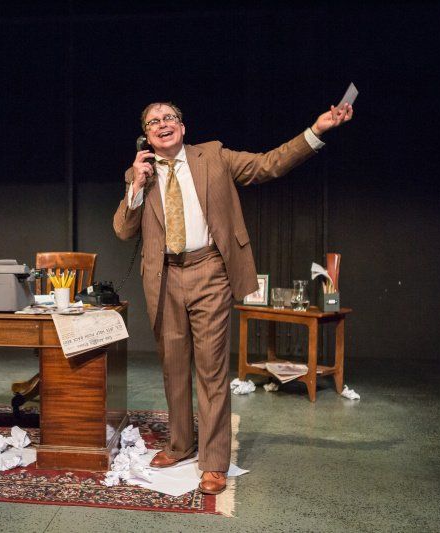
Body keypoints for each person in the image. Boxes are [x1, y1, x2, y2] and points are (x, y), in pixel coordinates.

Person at [113, 100, 352, 494]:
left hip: (209, 270)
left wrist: (317, 129)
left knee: (210, 369)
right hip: (165, 277)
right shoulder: (140, 173)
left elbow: (268, 164)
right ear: (146, 135)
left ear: (183, 127)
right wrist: (136, 185)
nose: (162, 125)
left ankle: (213, 461)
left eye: (169, 118)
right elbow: (123, 230)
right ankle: (179, 443)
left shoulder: (214, 156)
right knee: (174, 368)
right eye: (153, 122)